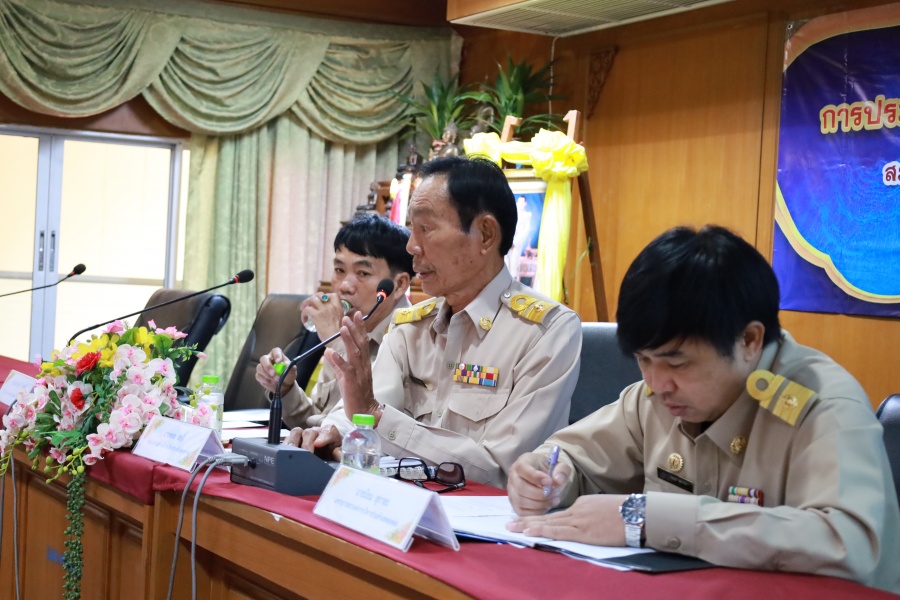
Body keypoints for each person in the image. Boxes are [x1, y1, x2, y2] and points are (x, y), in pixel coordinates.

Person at [505, 225, 900, 593]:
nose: (657, 384)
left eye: (677, 363)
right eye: (643, 360)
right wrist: (545, 476)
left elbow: (849, 542)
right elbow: (575, 456)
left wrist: (649, 518)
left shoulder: (822, 405)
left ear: (749, 340)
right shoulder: (653, 398)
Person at [293, 156, 582, 487]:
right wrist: (332, 433)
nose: (411, 246)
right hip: (401, 503)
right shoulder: (410, 327)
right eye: (411, 229)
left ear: (486, 235)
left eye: (425, 229)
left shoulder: (546, 331)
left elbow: (503, 470)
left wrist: (377, 417)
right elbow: (364, 411)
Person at [255, 214, 413, 428]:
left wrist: (336, 341)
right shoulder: (350, 327)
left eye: (363, 273)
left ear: (400, 284)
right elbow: (321, 422)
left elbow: (365, 424)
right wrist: (285, 388)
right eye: (339, 270)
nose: (344, 286)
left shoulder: (410, 337)